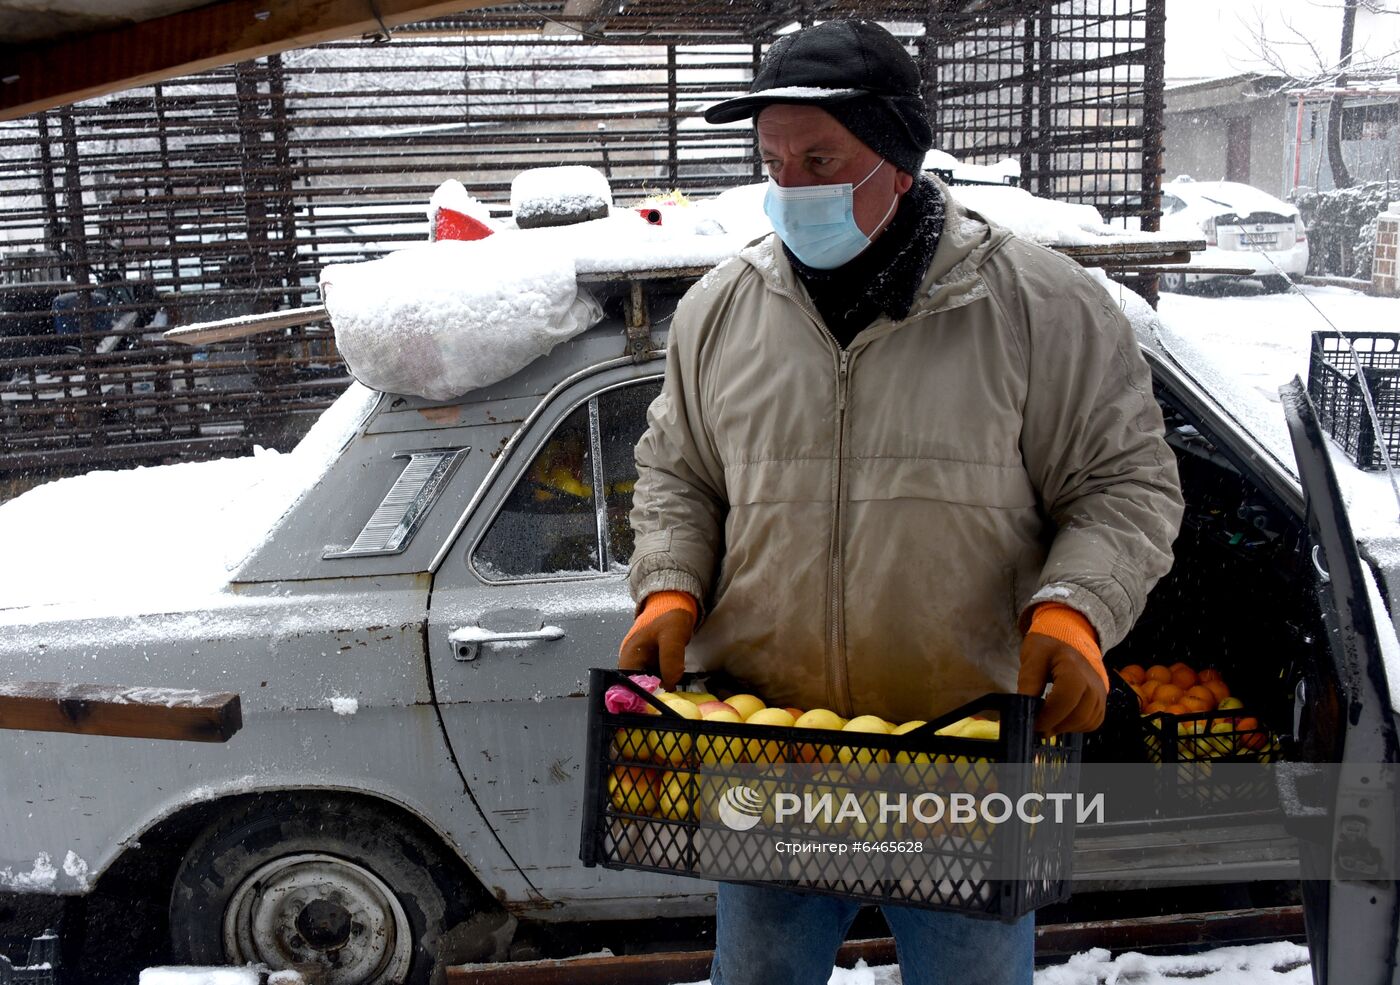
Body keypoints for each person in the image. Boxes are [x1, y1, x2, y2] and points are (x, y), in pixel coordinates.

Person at [617, 19, 1184, 985]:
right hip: (770, 748)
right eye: (774, 159)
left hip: (960, 758)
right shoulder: (720, 310)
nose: (791, 186)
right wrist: (671, 584)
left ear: (897, 155)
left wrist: (1074, 608)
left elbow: (1122, 482)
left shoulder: (1037, 305)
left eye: (821, 158)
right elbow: (680, 474)